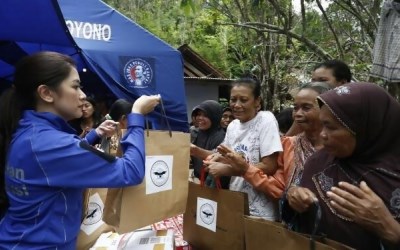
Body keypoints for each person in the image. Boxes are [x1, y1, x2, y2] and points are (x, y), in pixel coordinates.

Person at [0, 51, 160, 248]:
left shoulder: (31, 133)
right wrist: (136, 115)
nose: (83, 95)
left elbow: (58, 160)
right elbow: (130, 172)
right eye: (75, 86)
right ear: (46, 93)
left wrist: (94, 134)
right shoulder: (49, 144)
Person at [284, 83, 400, 249]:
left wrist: (391, 230)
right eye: (322, 124)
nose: (322, 135)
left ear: (364, 127)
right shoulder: (318, 162)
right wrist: (293, 196)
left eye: (331, 127)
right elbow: (296, 219)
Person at [204, 77, 283, 220]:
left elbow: (269, 165)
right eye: (233, 100)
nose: (237, 105)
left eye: (243, 100)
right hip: (236, 200)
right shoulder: (233, 126)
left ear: (257, 102)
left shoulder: (266, 120)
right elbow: (231, 158)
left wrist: (226, 170)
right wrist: (218, 158)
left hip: (261, 210)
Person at [286, 59, 352, 136]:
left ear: (343, 83)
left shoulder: (354, 109)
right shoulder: (303, 113)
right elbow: (287, 142)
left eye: (322, 80)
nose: (316, 84)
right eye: (313, 81)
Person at [282, 82, 330, 187]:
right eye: (295, 108)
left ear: (325, 109)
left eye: (306, 108)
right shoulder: (289, 144)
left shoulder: (337, 149)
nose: (298, 114)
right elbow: (278, 184)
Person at [189, 100, 228, 188]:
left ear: (214, 117)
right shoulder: (198, 133)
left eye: (205, 115)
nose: (200, 118)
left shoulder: (220, 137)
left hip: (211, 186)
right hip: (198, 180)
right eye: (198, 114)